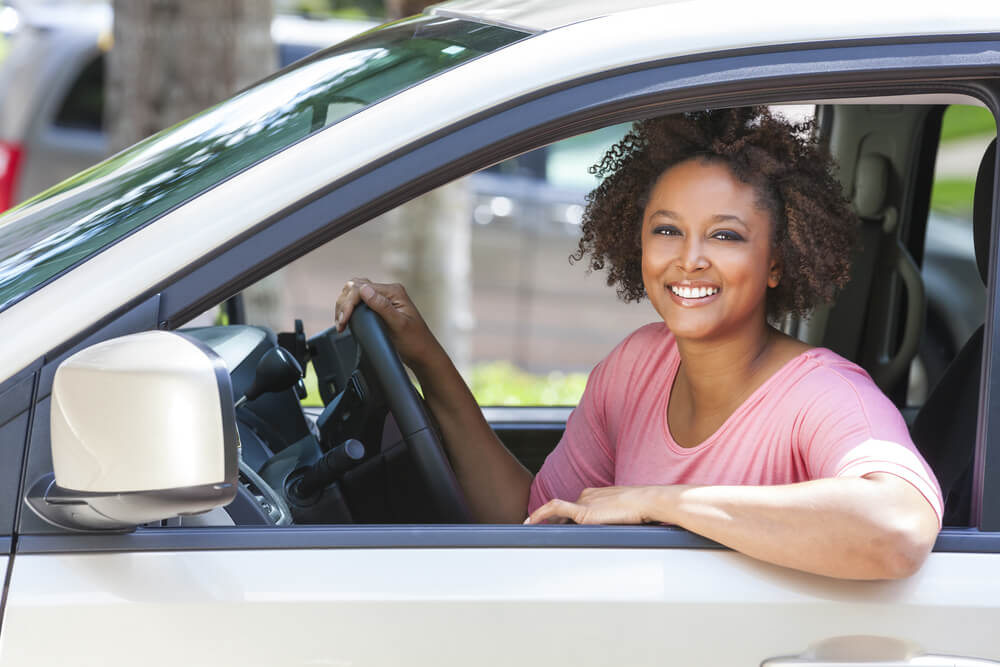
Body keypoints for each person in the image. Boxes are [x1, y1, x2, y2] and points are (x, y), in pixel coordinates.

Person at [334, 107, 942, 580]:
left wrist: (662, 503)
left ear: (777, 260)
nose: (690, 259)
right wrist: (427, 359)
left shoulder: (822, 394)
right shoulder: (637, 367)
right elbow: (529, 516)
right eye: (668, 230)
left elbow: (899, 526)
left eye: (726, 236)